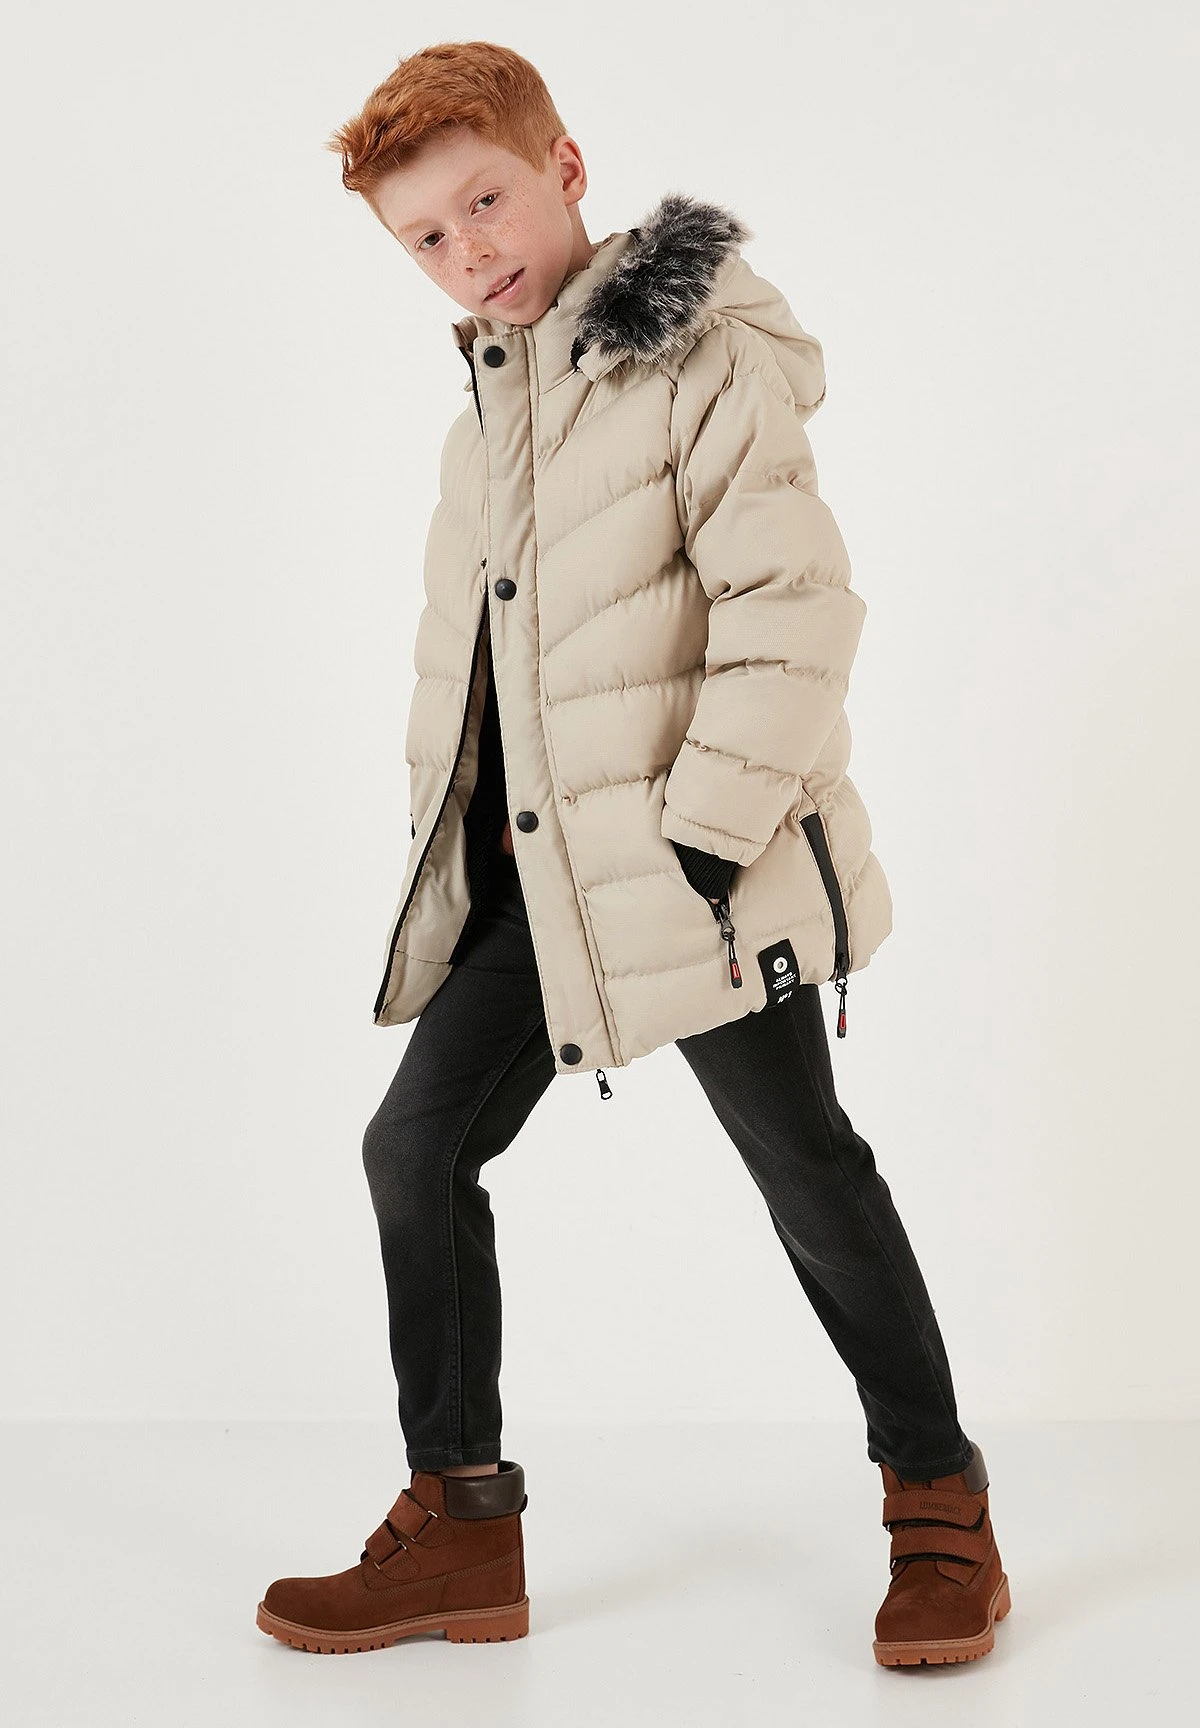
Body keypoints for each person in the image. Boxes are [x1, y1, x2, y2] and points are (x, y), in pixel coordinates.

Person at [256, 39, 1010, 1668]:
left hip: (700, 875)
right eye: (427, 238)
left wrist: (707, 843)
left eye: (486, 203)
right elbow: (481, 666)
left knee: (808, 1177)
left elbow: (792, 609)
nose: (469, 254)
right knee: (414, 1152)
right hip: (543, 886)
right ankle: (462, 1526)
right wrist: (455, 854)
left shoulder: (697, 356)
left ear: (566, 166)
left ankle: (939, 1505)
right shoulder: (486, 416)